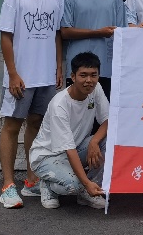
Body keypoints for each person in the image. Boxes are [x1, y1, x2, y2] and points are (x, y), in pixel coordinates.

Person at [0, 0, 64, 209]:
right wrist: (13, 74)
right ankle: (8, 185)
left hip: (46, 77)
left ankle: (32, 180)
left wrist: (58, 67)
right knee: (12, 126)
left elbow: (57, 34)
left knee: (36, 124)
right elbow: (6, 37)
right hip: (21, 78)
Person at [29, 51, 109, 210]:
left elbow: (108, 120)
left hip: (77, 147)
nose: (89, 80)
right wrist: (85, 183)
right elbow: (69, 149)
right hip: (47, 156)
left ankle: (88, 190)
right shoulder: (59, 105)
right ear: (73, 77)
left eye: (93, 75)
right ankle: (49, 186)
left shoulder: (96, 88)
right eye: (83, 75)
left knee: (108, 141)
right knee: (73, 185)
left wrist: (94, 141)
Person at [61, 0, 126, 101]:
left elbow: (122, 33)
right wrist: (98, 32)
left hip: (107, 67)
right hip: (78, 68)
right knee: (76, 110)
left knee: (104, 112)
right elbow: (65, 31)